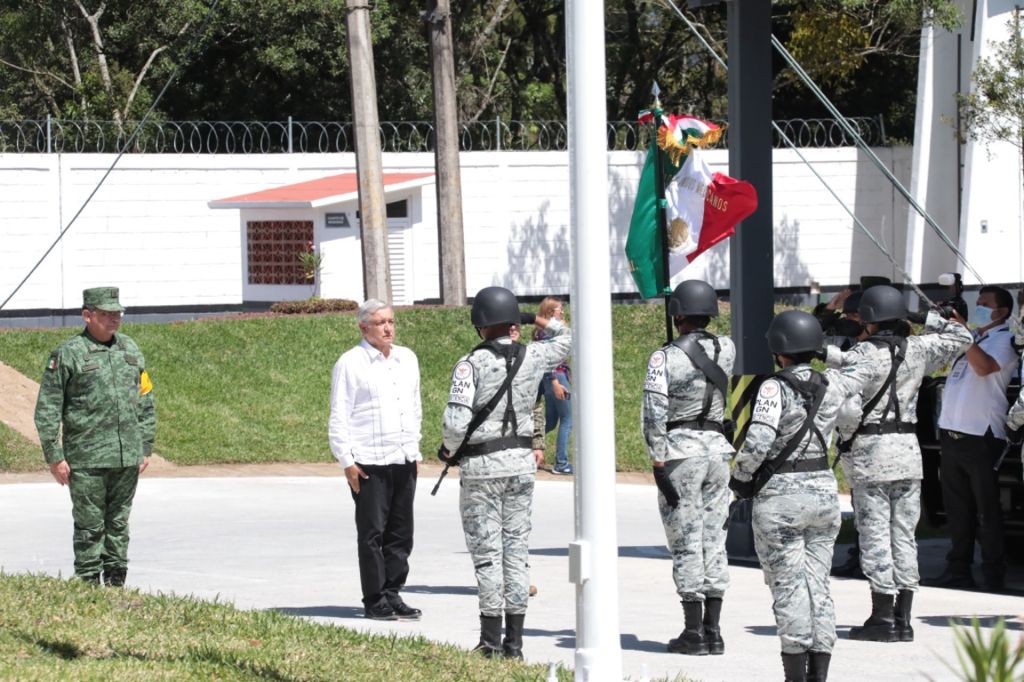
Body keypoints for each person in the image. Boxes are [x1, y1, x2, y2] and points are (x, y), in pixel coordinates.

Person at [729, 310, 872, 682]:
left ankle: (795, 673)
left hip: (781, 497)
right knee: (817, 585)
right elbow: (863, 378)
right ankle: (820, 673)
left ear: (778, 348)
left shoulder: (774, 388)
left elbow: (758, 440)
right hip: (823, 490)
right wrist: (830, 354)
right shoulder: (835, 383)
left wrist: (741, 478)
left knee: (789, 587)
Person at [826, 286, 971, 643]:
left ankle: (882, 615)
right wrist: (923, 317)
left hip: (871, 453)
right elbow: (963, 335)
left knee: (875, 535)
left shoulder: (862, 353)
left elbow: (844, 396)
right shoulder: (919, 349)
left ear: (870, 319)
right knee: (904, 535)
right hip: (908, 450)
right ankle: (904, 618)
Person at [440, 286, 571, 659]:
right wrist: (534, 318)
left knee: (487, 554)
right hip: (520, 464)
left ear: (479, 324)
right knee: (516, 551)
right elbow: (567, 337)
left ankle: (489, 639)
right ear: (512, 321)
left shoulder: (470, 365)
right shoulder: (534, 356)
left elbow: (455, 422)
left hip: (481, 468)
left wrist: (448, 450)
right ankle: (515, 643)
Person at [34, 287, 156, 587]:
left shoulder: (130, 349)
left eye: (117, 313)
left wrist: (145, 445)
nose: (114, 319)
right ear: (87, 315)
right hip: (86, 458)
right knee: (90, 525)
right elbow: (48, 408)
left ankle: (116, 584)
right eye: (106, 314)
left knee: (118, 523)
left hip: (126, 455)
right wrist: (55, 456)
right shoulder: (68, 353)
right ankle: (88, 584)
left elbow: (145, 399)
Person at [641, 279, 735, 656]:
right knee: (714, 538)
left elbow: (654, 412)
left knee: (685, 540)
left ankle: (693, 631)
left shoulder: (665, 357)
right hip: (717, 450)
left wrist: (657, 457)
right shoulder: (725, 348)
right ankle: (714, 630)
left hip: (681, 452)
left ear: (677, 314)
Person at [328, 299, 422, 621]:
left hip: (403, 459)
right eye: (380, 322)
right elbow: (339, 416)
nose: (387, 328)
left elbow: (414, 407)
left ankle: (393, 592)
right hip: (368, 462)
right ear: (363, 327)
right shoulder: (350, 363)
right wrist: (347, 461)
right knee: (372, 534)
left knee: (401, 533)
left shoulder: (407, 359)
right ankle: (374, 599)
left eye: (391, 321)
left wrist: (414, 448)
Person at [927, 285, 1018, 592]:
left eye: (984, 305)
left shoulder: (1004, 340)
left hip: (982, 437)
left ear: (1002, 312)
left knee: (986, 511)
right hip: (953, 435)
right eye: (976, 303)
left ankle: (993, 574)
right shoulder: (974, 339)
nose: (977, 309)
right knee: (957, 509)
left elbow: (984, 368)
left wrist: (964, 333)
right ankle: (958, 569)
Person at [534, 297, 573, 475]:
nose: (562, 312)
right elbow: (548, 359)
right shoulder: (549, 332)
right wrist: (556, 382)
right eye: (559, 309)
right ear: (550, 312)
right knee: (567, 420)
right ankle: (561, 463)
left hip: (551, 377)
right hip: (555, 376)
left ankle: (525, 449)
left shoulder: (541, 331)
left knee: (550, 422)